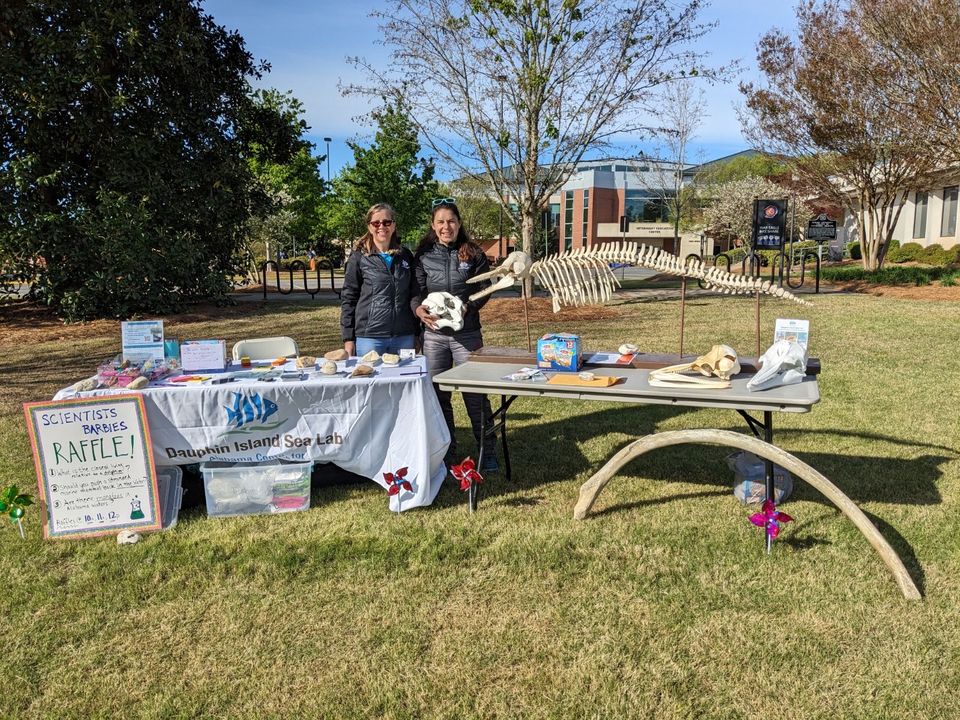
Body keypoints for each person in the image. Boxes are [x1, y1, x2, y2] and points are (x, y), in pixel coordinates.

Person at [413, 198, 498, 471]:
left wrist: (468, 307)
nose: (446, 226)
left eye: (451, 221)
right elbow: (414, 291)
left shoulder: (473, 254)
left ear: (459, 224)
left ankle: (488, 451)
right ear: (433, 225)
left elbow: (485, 288)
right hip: (434, 336)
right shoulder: (423, 255)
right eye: (440, 222)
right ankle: (447, 451)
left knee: (475, 394)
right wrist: (417, 310)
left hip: (467, 335)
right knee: (438, 395)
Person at [340, 203, 420, 357]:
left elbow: (413, 295)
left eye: (386, 222)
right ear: (369, 227)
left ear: (394, 225)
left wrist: (416, 332)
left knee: (403, 380)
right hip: (370, 337)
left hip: (404, 336)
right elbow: (349, 299)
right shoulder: (359, 257)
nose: (381, 226)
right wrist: (348, 338)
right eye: (376, 223)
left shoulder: (406, 256)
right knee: (371, 380)